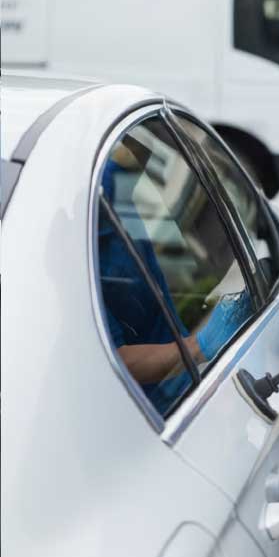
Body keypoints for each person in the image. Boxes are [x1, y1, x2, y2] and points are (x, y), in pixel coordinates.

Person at [98, 135, 252, 414]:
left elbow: (137, 149)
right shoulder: (75, 271)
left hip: (186, 367)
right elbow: (116, 360)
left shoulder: (100, 190)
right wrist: (199, 345)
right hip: (159, 405)